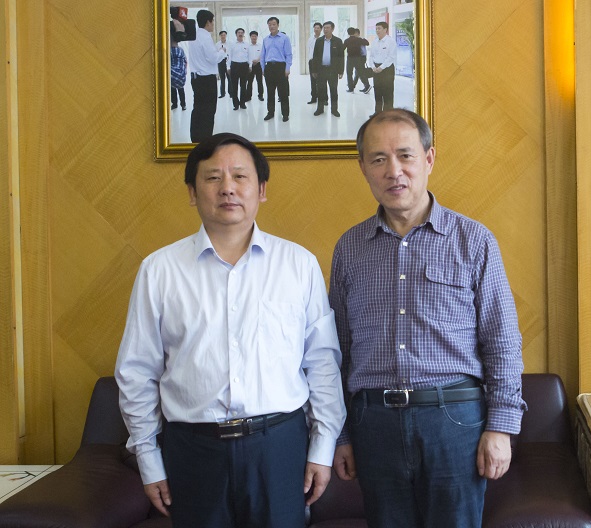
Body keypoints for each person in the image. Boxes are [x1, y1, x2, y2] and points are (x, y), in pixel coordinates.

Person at [116, 132, 346, 528]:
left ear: (261, 189)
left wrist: (323, 447)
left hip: (279, 446)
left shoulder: (299, 265)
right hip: (193, 449)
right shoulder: (159, 270)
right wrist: (149, 459)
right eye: (213, 178)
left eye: (240, 176)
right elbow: (137, 371)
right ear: (192, 192)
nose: (228, 188)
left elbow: (322, 363)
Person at [329, 109, 526, 528]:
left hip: (454, 420)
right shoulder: (349, 248)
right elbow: (337, 351)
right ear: (363, 167)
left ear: (429, 158)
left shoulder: (474, 240)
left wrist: (501, 427)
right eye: (378, 159)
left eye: (405, 155)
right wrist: (341, 435)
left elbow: (502, 341)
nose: (394, 170)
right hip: (373, 423)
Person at [187, 10, 226, 142]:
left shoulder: (193, 35)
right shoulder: (205, 36)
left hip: (196, 78)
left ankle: (195, 139)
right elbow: (213, 58)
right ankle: (205, 140)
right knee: (209, 111)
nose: (213, 24)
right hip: (207, 80)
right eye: (212, 21)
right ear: (208, 22)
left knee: (198, 110)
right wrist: (222, 52)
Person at [260, 17, 292, 122]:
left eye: (273, 24)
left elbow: (289, 54)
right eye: (269, 24)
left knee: (283, 93)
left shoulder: (284, 38)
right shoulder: (265, 39)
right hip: (269, 68)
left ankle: (285, 114)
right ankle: (270, 112)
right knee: (270, 92)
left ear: (278, 25)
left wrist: (287, 68)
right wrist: (263, 68)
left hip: (281, 67)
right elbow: (262, 55)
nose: (271, 26)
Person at [312, 21, 345, 118]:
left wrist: (341, 71)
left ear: (332, 29)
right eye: (324, 28)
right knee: (321, 90)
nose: (325, 30)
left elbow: (341, 57)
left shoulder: (338, 41)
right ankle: (320, 109)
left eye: (327, 28)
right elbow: (315, 56)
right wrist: (314, 70)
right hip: (321, 69)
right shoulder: (319, 41)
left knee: (333, 90)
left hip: (333, 70)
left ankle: (334, 110)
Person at [368, 21, 396, 115]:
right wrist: (373, 67)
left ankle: (388, 115)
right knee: (377, 92)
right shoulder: (375, 41)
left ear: (385, 29)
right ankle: (378, 113)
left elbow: (391, 57)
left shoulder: (391, 41)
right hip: (376, 69)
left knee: (388, 93)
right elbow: (371, 56)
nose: (377, 30)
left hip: (387, 70)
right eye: (376, 28)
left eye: (379, 28)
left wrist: (381, 67)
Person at [227, 28, 251, 111]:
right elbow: (228, 56)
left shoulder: (247, 45)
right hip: (234, 66)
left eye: (242, 32)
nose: (240, 34)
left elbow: (249, 56)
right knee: (234, 86)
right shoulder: (232, 44)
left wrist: (250, 65)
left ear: (243, 34)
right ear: (236, 34)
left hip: (244, 66)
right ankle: (236, 104)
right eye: (238, 32)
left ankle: (242, 103)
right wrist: (228, 67)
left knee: (243, 86)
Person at [343, 27, 370, 94]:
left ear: (348, 33)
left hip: (350, 58)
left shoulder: (347, 40)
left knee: (349, 73)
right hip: (358, 58)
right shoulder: (359, 39)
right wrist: (363, 39)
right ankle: (367, 85)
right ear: (354, 32)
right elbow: (367, 43)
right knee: (360, 73)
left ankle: (351, 88)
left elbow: (342, 48)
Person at [170, 15, 187, 111]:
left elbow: (184, 60)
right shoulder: (179, 50)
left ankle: (180, 104)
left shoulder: (177, 50)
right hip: (179, 74)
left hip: (176, 74)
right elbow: (185, 60)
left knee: (178, 89)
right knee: (178, 89)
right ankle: (178, 104)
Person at [306, 22, 323, 105]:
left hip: (321, 62)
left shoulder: (323, 39)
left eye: (318, 28)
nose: (316, 29)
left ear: (321, 29)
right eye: (315, 28)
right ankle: (313, 98)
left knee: (322, 80)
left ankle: (324, 99)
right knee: (313, 80)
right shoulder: (310, 39)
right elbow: (309, 49)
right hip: (312, 61)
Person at [246, 31, 264, 102]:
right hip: (250, 66)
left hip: (258, 65)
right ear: (250, 37)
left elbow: (262, 55)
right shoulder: (247, 46)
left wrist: (257, 60)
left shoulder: (260, 46)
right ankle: (248, 96)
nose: (254, 37)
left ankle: (260, 95)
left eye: (255, 36)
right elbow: (247, 56)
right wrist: (250, 64)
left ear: (257, 37)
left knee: (259, 81)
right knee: (249, 81)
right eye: (252, 36)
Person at [215, 30, 231, 99]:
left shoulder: (229, 43)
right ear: (220, 36)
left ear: (226, 36)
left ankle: (231, 93)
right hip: (220, 62)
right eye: (221, 35)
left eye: (224, 35)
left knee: (229, 78)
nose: (223, 36)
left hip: (227, 61)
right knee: (222, 78)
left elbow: (231, 52)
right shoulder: (217, 44)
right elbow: (215, 53)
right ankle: (222, 93)